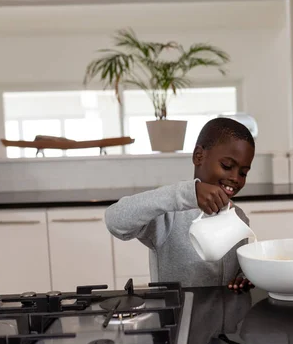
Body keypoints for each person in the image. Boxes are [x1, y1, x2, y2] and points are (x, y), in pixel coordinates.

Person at [105, 117, 255, 289]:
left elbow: (236, 273)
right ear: (199, 156)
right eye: (227, 166)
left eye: (243, 173)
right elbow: (114, 220)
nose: (235, 178)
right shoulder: (169, 215)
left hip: (231, 316)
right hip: (177, 315)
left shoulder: (239, 218)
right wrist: (187, 194)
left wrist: (243, 277)